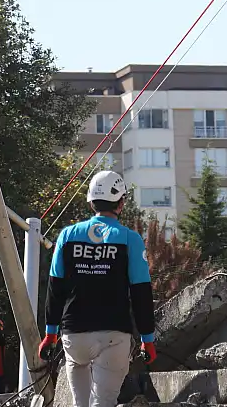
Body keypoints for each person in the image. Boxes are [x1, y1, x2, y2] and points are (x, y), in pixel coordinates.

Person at [38, 170, 156, 407]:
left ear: (91, 201)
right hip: (113, 335)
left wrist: (50, 334)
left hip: (74, 335)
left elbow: (55, 287)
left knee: (80, 404)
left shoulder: (67, 236)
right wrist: (148, 339)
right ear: (121, 203)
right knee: (103, 403)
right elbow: (141, 292)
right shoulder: (129, 239)